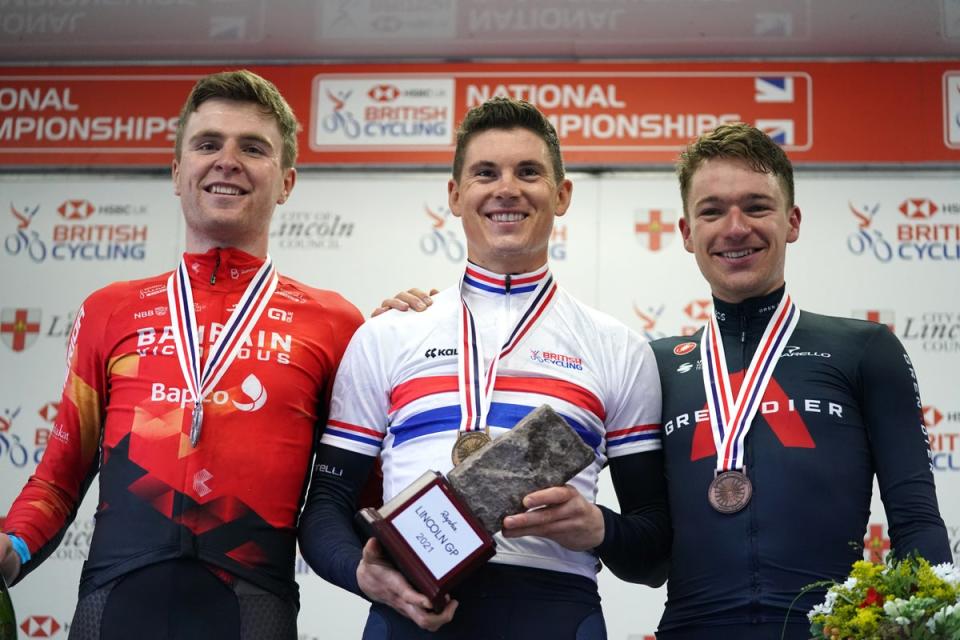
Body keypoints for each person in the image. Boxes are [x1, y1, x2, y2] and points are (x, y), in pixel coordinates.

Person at [0, 70, 363, 639]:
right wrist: (11, 544)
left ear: (287, 181)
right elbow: (59, 477)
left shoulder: (337, 323)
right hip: (114, 604)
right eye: (207, 143)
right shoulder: (109, 310)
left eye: (253, 147)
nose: (227, 160)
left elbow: (353, 494)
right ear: (176, 172)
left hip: (252, 607)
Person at [297, 97, 671, 639]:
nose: (507, 189)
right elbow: (325, 506)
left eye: (529, 172)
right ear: (454, 195)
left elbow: (653, 551)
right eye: (485, 173)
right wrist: (366, 576)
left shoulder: (618, 348)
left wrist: (598, 528)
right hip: (413, 609)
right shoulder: (388, 333)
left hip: (555, 611)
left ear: (562, 194)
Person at [648, 122, 950, 639]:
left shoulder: (865, 349)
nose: (735, 226)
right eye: (713, 210)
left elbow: (916, 521)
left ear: (792, 221)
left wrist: (935, 624)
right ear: (685, 232)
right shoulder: (650, 366)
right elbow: (645, 553)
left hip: (831, 631)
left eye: (757, 206)